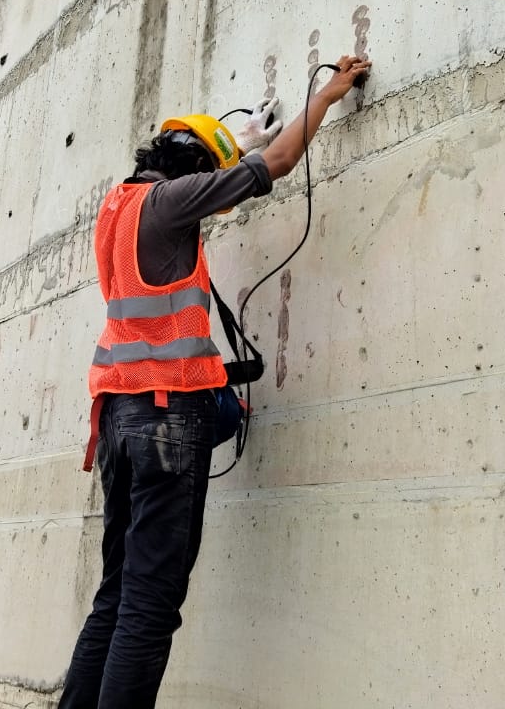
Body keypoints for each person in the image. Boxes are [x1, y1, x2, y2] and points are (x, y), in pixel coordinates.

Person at [57, 55, 372, 708]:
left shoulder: (118, 205)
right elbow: (277, 163)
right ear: (193, 171)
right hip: (167, 416)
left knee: (115, 596)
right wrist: (328, 94)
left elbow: (222, 180)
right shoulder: (171, 203)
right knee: (149, 606)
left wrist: (242, 138)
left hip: (116, 417)